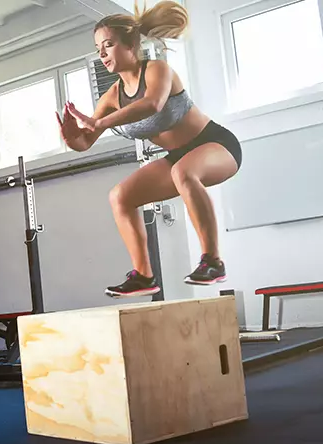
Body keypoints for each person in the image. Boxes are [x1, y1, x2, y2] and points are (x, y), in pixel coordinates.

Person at [55, 0, 242, 298]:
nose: (102, 53)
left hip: (216, 144)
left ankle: (213, 261)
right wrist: (71, 137)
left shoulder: (157, 70)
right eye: (98, 49)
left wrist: (99, 121)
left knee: (184, 171)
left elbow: (151, 104)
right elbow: (86, 141)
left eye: (109, 45)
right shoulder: (112, 96)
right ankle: (143, 276)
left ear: (131, 44)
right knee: (120, 196)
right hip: (177, 158)